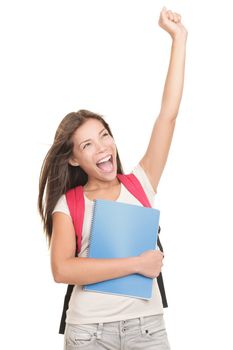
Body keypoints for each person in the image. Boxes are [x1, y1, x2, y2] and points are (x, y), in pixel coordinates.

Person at [38, 6, 187, 350]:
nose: (102, 148)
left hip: (146, 328)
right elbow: (62, 269)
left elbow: (168, 114)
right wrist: (138, 263)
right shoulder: (69, 204)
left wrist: (179, 39)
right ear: (74, 158)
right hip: (89, 332)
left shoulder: (141, 182)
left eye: (104, 135)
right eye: (87, 144)